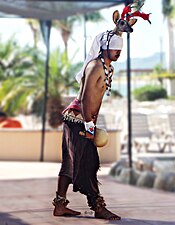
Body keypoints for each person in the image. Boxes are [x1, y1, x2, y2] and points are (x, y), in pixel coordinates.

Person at [52, 30, 123, 220]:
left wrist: (93, 121)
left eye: (120, 48)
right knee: (89, 162)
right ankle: (98, 207)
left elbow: (96, 100)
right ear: (104, 47)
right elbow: (84, 99)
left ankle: (60, 205)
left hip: (81, 120)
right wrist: (89, 127)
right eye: (114, 47)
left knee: (71, 162)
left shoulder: (108, 68)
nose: (118, 51)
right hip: (77, 120)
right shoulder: (95, 66)